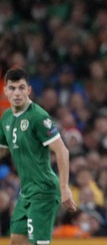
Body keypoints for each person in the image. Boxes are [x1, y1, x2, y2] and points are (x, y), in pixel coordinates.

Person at [0, 68, 77, 245]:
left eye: (21, 88)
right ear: (5, 91)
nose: (17, 93)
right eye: (12, 88)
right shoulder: (6, 118)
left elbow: (62, 151)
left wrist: (64, 187)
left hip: (44, 191)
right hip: (26, 192)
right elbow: (2, 150)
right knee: (16, 241)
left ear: (29, 90)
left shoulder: (38, 116)